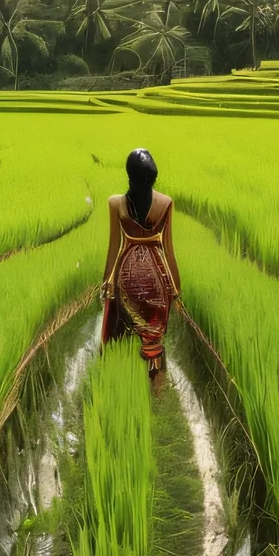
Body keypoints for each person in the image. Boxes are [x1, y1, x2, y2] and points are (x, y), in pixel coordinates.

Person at [101, 148, 182, 391]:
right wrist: (176, 290)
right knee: (154, 341)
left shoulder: (117, 204)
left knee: (121, 335)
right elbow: (169, 251)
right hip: (157, 279)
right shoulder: (165, 203)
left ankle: (120, 386)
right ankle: (157, 392)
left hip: (127, 278)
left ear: (129, 176)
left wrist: (106, 282)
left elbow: (114, 247)